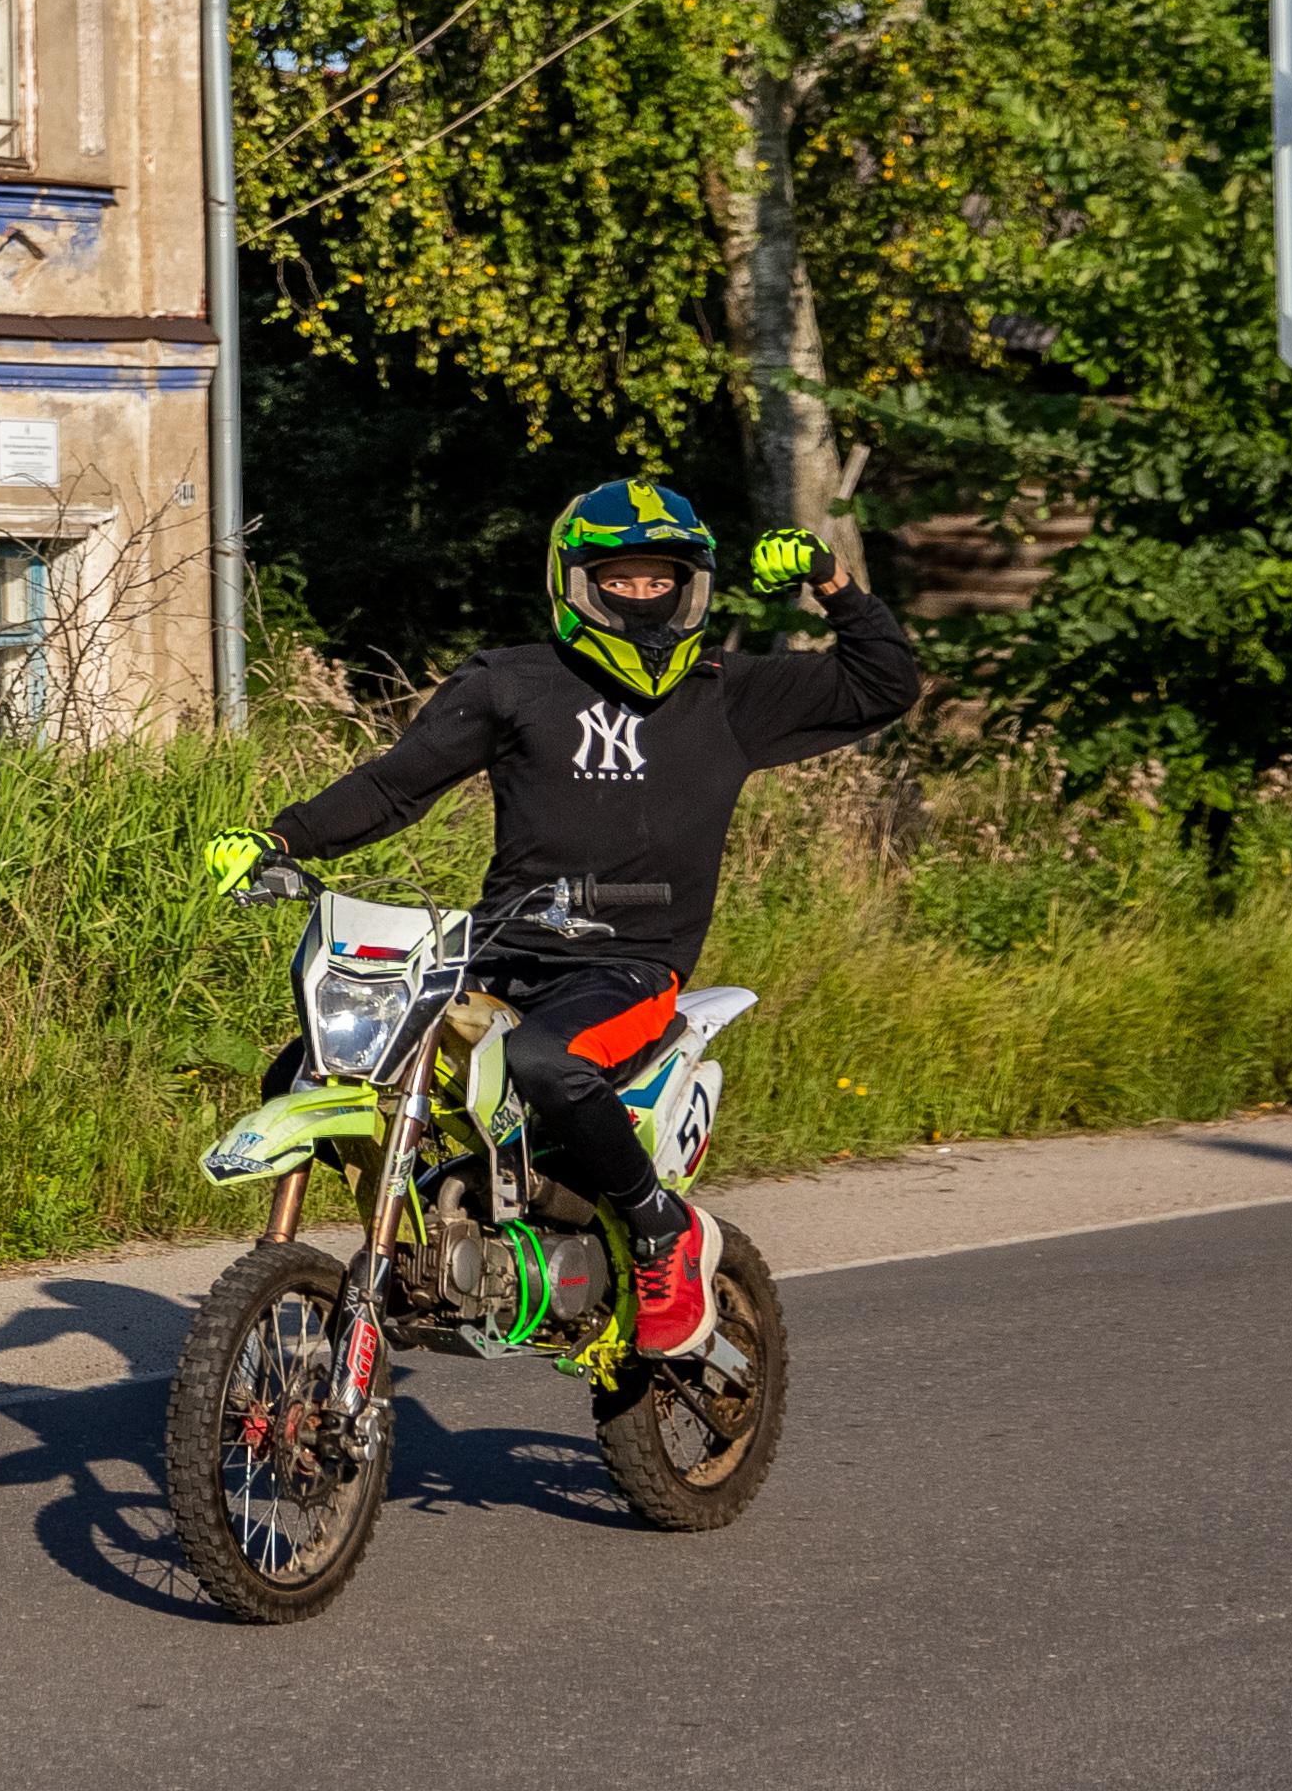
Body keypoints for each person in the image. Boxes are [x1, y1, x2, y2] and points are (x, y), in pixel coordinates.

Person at [205, 481, 919, 1361]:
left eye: (664, 580)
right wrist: (280, 836)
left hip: (629, 964)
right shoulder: (512, 683)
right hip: (500, 948)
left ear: (693, 587)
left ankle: (663, 1234)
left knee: (548, 1058)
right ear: (576, 583)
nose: (644, 596)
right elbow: (397, 786)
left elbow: (886, 683)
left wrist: (830, 580)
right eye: (621, 578)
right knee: (310, 1060)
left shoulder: (727, 692)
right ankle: (409, 1248)